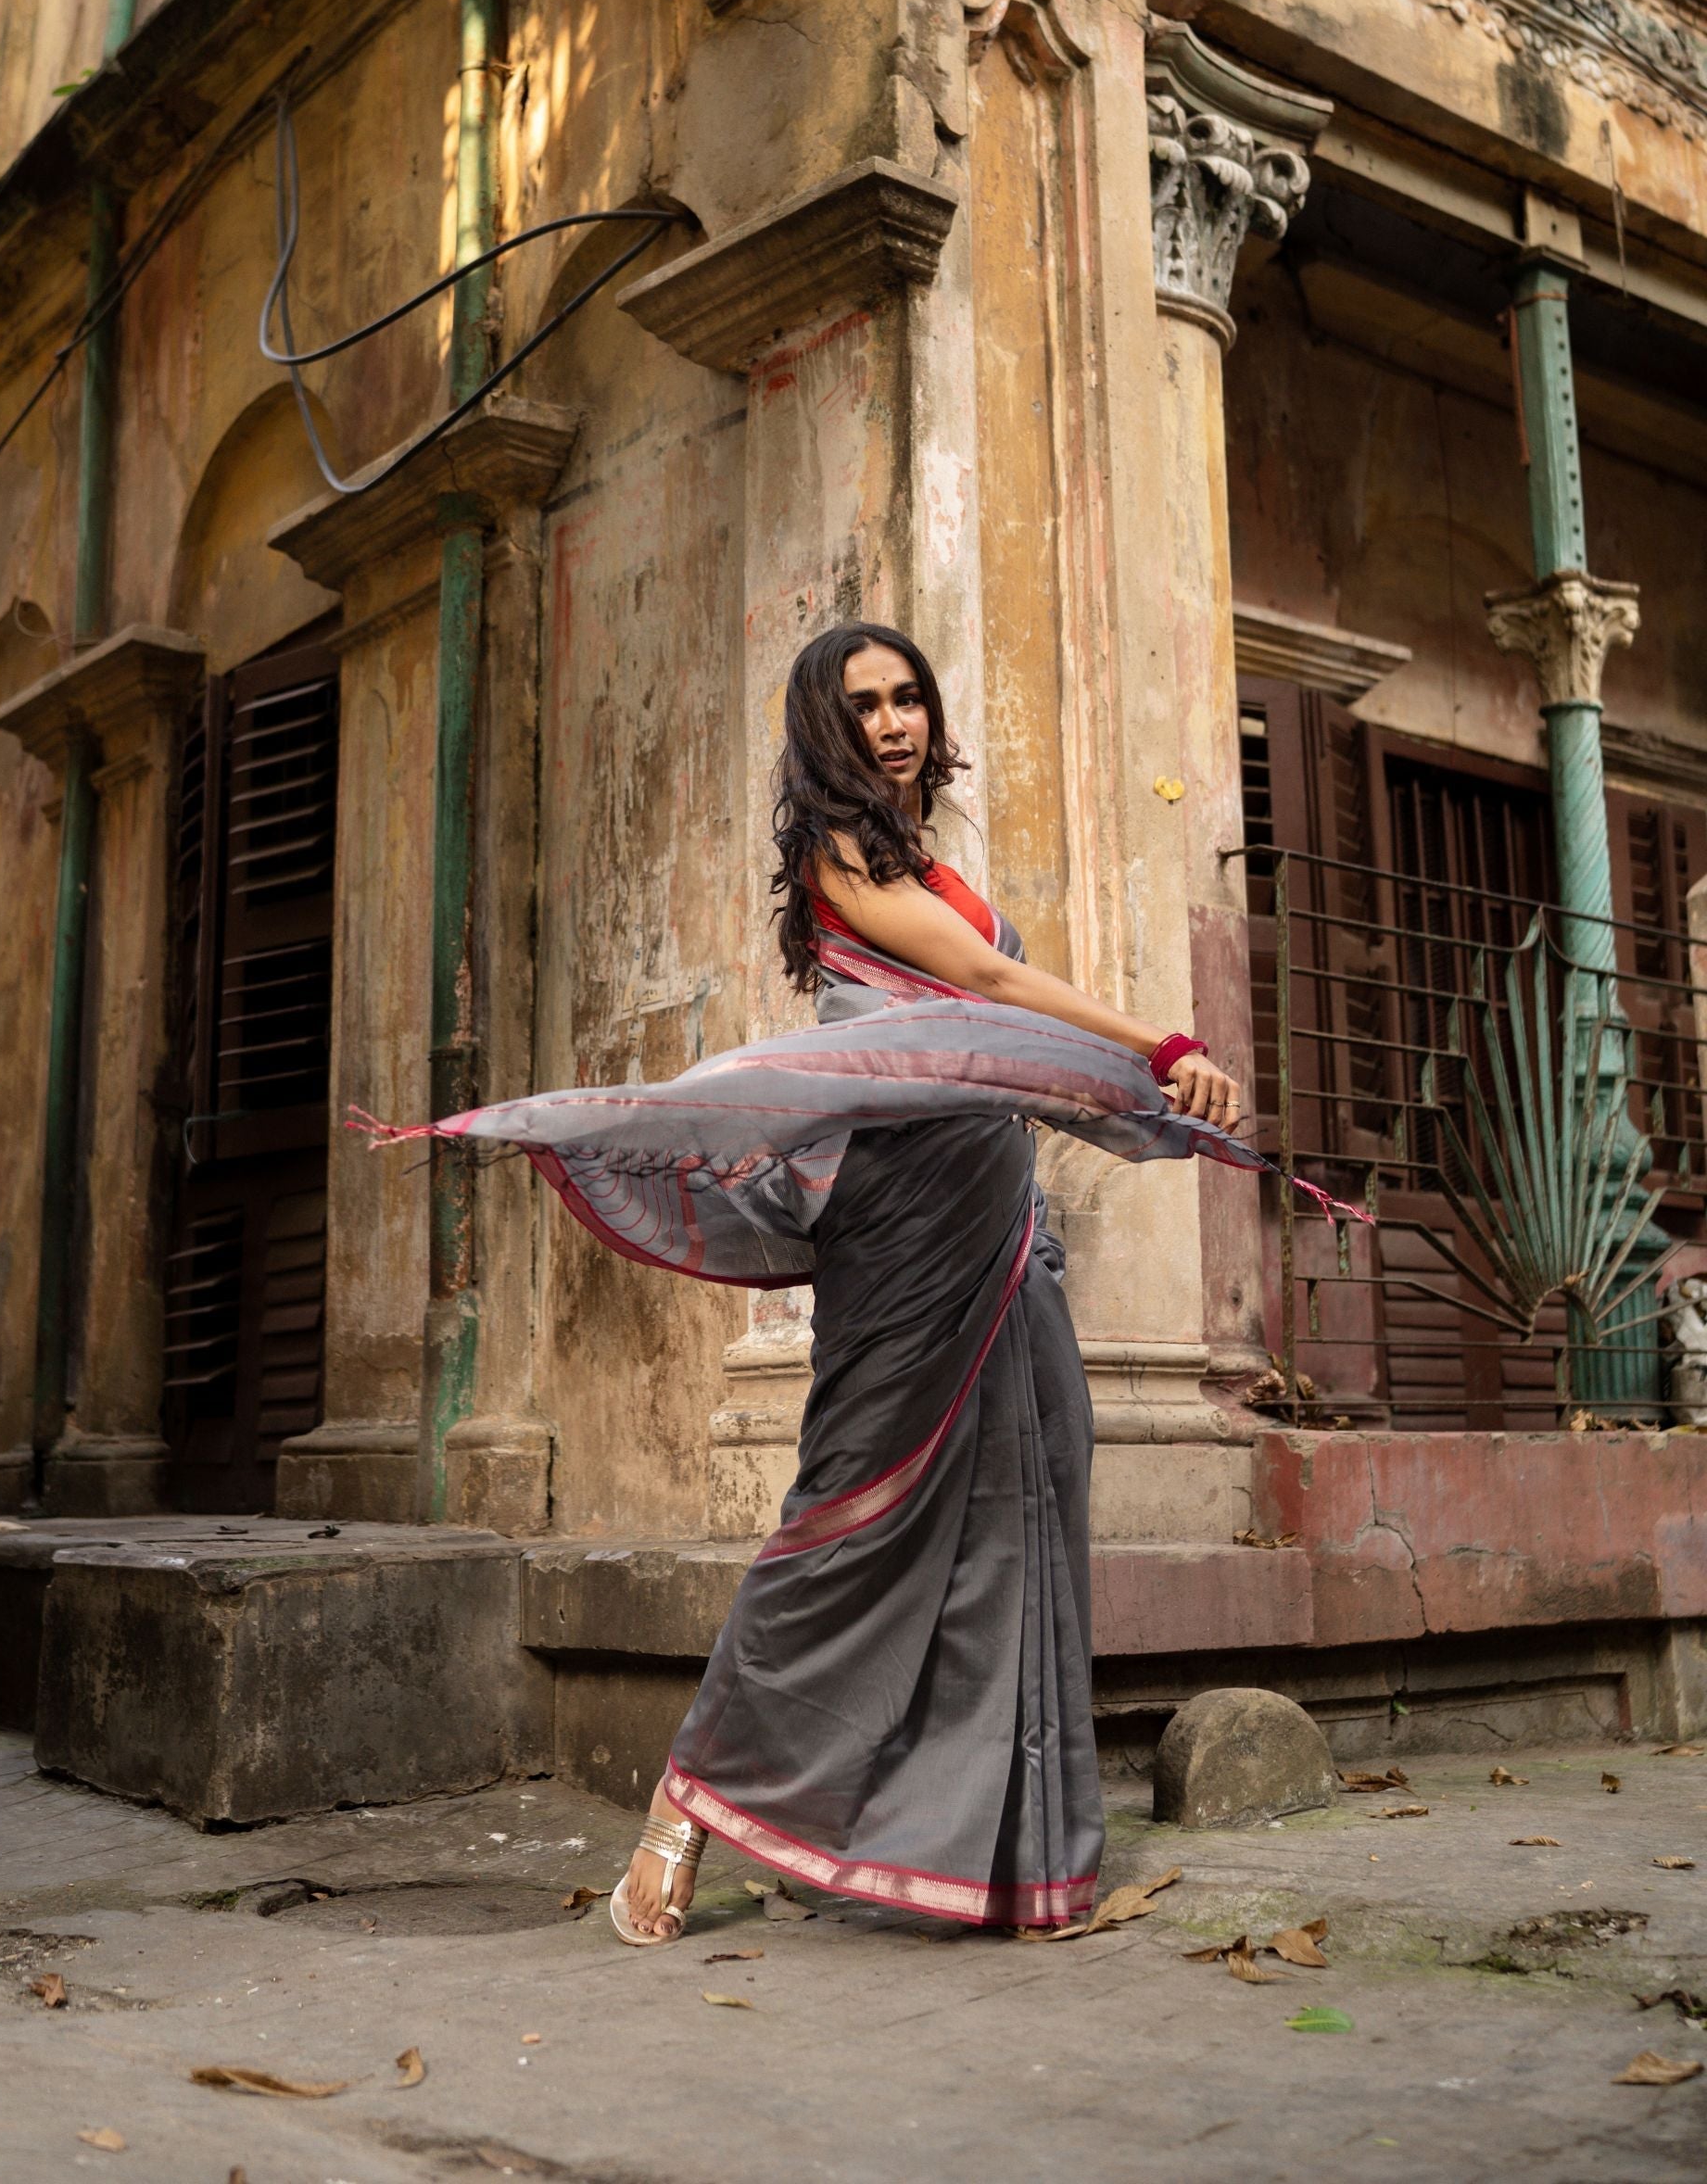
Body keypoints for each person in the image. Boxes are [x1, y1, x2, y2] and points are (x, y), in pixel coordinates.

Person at [364, 621, 1316, 1944]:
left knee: (1028, 1502)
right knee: (850, 1517)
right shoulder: (842, 856)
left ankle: (1005, 1857)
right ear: (829, 728)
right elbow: (984, 982)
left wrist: (1116, 1095)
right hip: (905, 1221)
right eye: (864, 704)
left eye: (909, 697)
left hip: (998, 1212)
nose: (893, 721)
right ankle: (689, 1803)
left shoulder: (932, 861)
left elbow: (994, 1024)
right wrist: (1160, 1044)